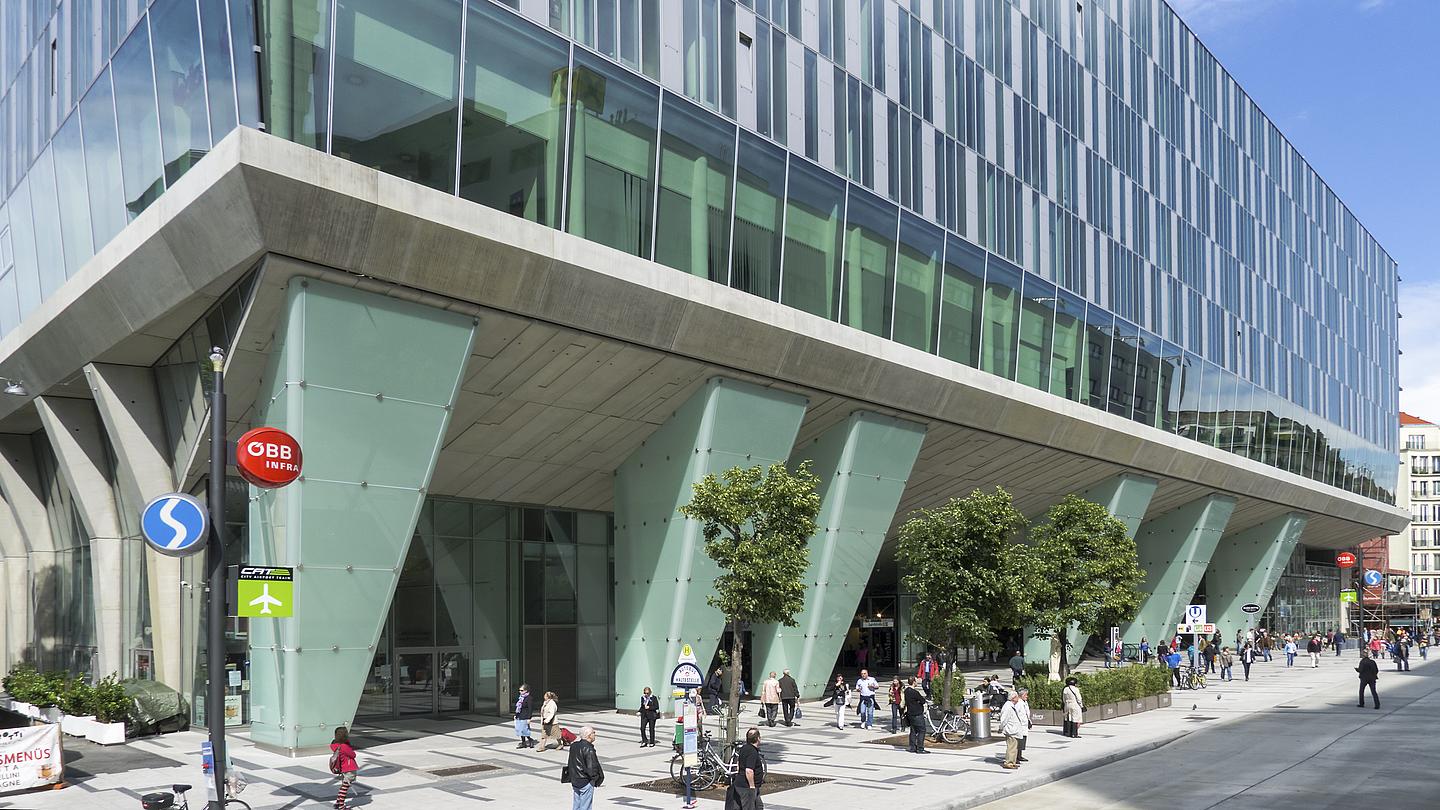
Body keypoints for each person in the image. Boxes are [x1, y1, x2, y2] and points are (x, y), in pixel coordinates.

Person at [726, 727, 766, 810]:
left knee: (759, 806)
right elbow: (749, 771)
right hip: (747, 786)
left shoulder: (745, 748)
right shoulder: (752, 752)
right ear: (758, 738)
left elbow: (738, 764)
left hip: (744, 784)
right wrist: (752, 787)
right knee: (749, 807)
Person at [566, 726, 604, 810]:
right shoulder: (589, 748)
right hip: (585, 781)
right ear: (588, 735)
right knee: (585, 806)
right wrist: (595, 778)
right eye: (593, 733)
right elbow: (592, 767)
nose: (595, 734)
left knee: (577, 804)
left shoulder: (574, 746)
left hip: (575, 779)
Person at [330, 726, 358, 809]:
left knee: (343, 786)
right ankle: (341, 805)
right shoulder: (344, 746)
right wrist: (347, 744)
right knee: (345, 787)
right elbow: (353, 755)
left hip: (343, 768)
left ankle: (338, 803)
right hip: (349, 768)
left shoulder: (335, 744)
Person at [902, 677, 928, 754]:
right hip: (917, 713)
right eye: (916, 681)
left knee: (913, 730)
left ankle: (912, 747)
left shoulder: (906, 691)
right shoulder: (914, 692)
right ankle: (920, 748)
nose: (917, 683)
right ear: (913, 682)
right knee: (921, 730)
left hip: (910, 713)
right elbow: (922, 700)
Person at [999, 692, 1024, 770]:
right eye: (1017, 697)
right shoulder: (1008, 706)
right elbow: (1004, 719)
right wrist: (1001, 727)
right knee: (1011, 747)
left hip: (1014, 730)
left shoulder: (1011, 705)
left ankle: (1012, 762)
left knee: (1014, 747)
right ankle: (1009, 763)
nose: (1018, 699)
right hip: (1011, 730)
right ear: (1013, 698)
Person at [514, 683, 536, 749]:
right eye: (519, 690)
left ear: (526, 691)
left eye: (522, 690)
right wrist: (516, 715)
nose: (520, 692)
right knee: (520, 730)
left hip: (525, 716)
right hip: (520, 715)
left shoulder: (529, 698)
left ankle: (530, 740)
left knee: (525, 730)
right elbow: (518, 708)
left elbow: (530, 709)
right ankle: (523, 742)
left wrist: (529, 718)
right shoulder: (521, 698)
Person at [1015, 687, 1032, 762]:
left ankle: (1019, 755)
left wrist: (1029, 721)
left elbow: (1026, 713)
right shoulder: (1018, 703)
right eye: (1025, 695)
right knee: (1019, 741)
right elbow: (1018, 714)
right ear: (1021, 695)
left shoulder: (1025, 702)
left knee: (1022, 740)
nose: (1027, 696)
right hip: (1020, 724)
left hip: (1024, 724)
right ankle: (1016, 757)